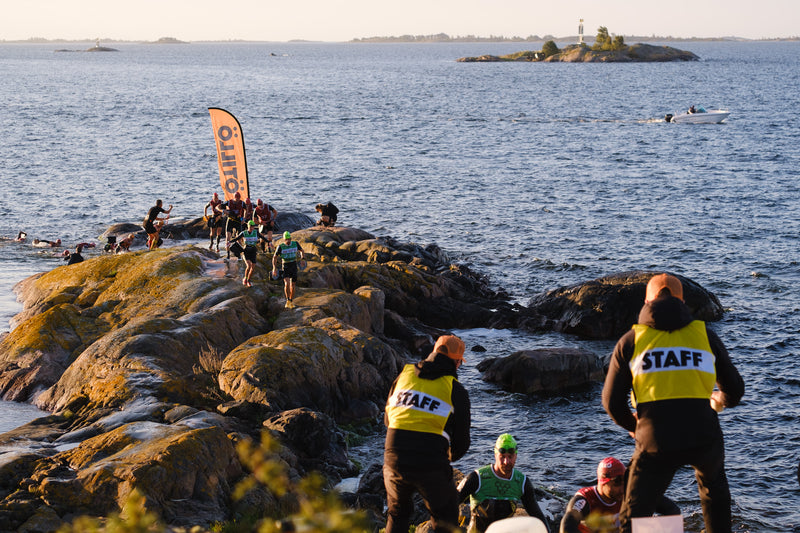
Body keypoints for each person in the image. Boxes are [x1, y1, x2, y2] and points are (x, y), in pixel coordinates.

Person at [602, 273, 745, 533]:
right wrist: (718, 400)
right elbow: (735, 390)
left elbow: (611, 402)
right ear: (682, 301)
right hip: (703, 434)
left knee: (633, 517)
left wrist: (633, 425)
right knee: (715, 497)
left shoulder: (632, 341)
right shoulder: (705, 336)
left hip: (654, 437)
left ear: (647, 301)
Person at [383, 335, 471, 533]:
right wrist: (446, 456)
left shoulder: (404, 375)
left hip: (393, 456)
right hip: (430, 462)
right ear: (457, 362)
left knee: (397, 515)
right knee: (446, 518)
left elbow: (388, 419)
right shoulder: (455, 390)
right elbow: (462, 442)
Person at [457, 433, 550, 533]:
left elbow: (537, 515)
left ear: (516, 456)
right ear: (495, 455)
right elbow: (450, 504)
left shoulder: (522, 483)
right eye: (502, 457)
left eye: (510, 457)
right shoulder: (477, 478)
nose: (506, 461)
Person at [559, 457, 680, 533]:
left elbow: (672, 509)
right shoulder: (586, 499)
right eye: (617, 483)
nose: (622, 489)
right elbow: (567, 526)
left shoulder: (629, 493)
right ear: (602, 482)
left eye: (625, 481)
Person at [229, 220, 269, 287]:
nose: (251, 228)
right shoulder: (244, 233)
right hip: (246, 250)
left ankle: (248, 280)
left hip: (253, 250)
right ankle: (245, 278)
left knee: (252, 268)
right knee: (248, 265)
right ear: (248, 226)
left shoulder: (256, 232)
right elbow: (237, 238)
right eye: (250, 226)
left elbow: (262, 237)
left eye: (253, 226)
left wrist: (269, 242)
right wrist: (229, 242)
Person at [272, 231, 305, 308]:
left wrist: (302, 259)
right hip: (285, 266)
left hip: (293, 265)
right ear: (284, 239)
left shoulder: (295, 244)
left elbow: (302, 251)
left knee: (293, 285)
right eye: (286, 239)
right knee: (287, 284)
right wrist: (274, 268)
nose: (288, 241)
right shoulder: (280, 247)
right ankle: (287, 300)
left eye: (289, 239)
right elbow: (275, 257)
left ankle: (291, 300)